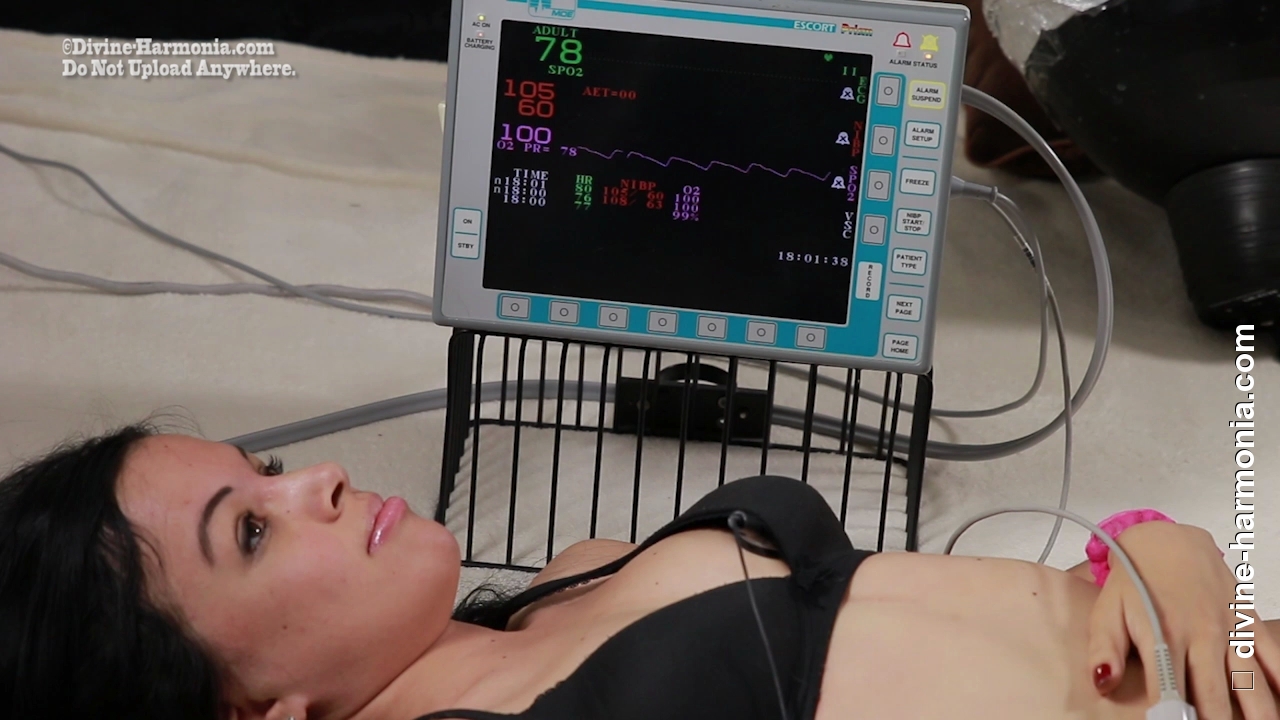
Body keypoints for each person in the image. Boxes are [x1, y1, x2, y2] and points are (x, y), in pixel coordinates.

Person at [0, 422, 1276, 720]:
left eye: (268, 468)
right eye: (252, 531)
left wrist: (1150, 550)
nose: (318, 481)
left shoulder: (573, 575)